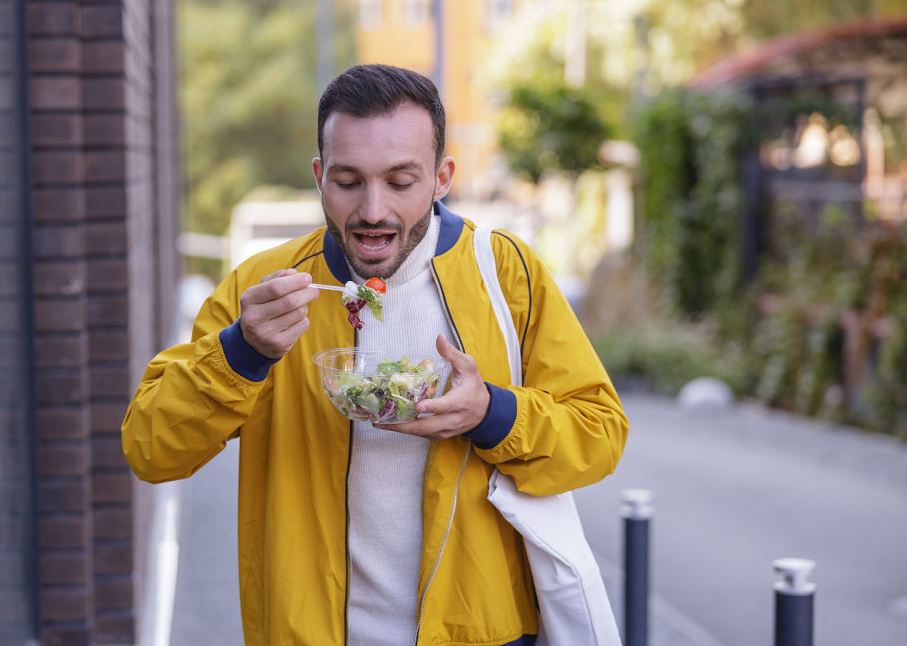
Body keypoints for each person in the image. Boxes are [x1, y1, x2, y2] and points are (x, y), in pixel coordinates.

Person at [122, 64, 627, 645]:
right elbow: (150, 449)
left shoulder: (506, 274)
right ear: (318, 176)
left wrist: (491, 413)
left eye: (401, 180)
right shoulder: (262, 288)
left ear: (442, 178)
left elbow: (599, 433)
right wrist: (242, 352)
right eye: (348, 181)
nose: (372, 211)